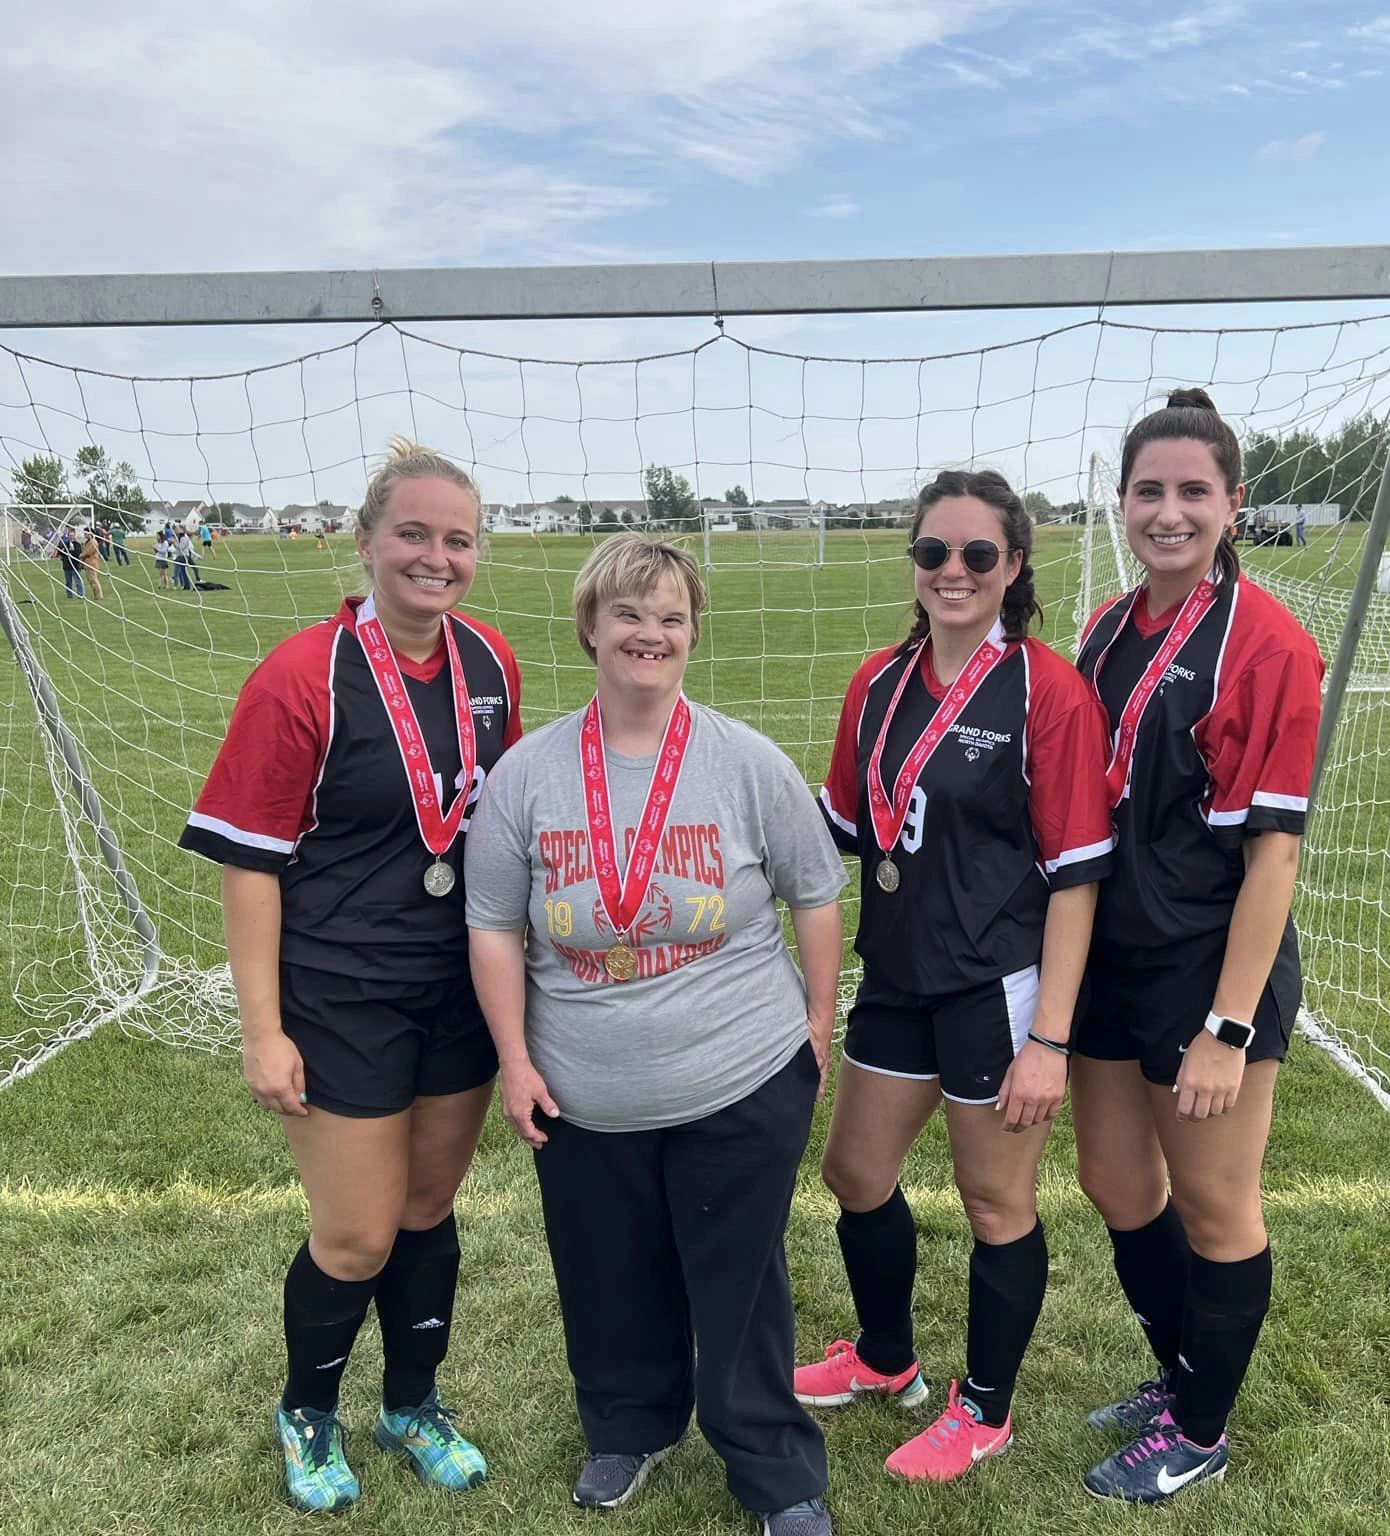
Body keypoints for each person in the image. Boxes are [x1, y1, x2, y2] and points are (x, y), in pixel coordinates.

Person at [465, 534, 846, 1536]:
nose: (651, 634)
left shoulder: (745, 760)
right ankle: (628, 1426)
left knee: (741, 1284)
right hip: (584, 1088)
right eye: (630, 614)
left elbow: (814, 891)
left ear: (691, 634)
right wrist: (513, 1058)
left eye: (672, 617)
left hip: (740, 1074)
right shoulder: (528, 773)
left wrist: (815, 1018)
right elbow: (493, 927)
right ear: (591, 626)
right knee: (606, 1270)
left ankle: (770, 1464)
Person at [179, 441, 523, 1513]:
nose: (435, 556)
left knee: (427, 1210)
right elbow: (251, 864)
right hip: (339, 991)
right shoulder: (301, 673)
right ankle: (307, 1412)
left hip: (456, 985)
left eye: (456, 539)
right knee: (357, 1232)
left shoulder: (491, 664)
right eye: (412, 534)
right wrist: (262, 1028)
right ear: (366, 540)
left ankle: (414, 1404)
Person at [793, 469, 1113, 1484]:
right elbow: (845, 828)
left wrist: (1050, 1041)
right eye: (934, 552)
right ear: (915, 564)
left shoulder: (1046, 691)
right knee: (853, 1174)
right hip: (895, 976)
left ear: (1014, 566)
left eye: (979, 554)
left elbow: (1075, 879)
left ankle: (986, 1408)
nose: (954, 572)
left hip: (995, 988)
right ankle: (887, 1359)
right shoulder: (877, 685)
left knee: (993, 1203)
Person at [1071, 389, 1324, 1503]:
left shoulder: (1267, 644)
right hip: (1112, 957)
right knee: (1117, 1182)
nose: (1167, 513)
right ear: (1123, 502)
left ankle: (1201, 1429)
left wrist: (1227, 1026)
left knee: (1216, 1204)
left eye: (1192, 492)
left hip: (1209, 967)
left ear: (1233, 504)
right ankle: (1179, 1373)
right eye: (1148, 491)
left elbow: (1273, 856)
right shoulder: (1108, 628)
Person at [78, 523, 104, 599]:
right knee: (91, 580)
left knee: (93, 580)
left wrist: (81, 555)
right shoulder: (88, 542)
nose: (84, 535)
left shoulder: (93, 542)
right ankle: (96, 595)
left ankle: (99, 596)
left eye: (86, 533)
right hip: (87, 564)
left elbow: (89, 552)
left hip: (91, 564)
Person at [57, 526, 84, 598]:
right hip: (67, 565)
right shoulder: (65, 543)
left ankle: (80, 594)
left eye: (72, 535)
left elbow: (78, 553)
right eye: (70, 535)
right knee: (68, 582)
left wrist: (71, 551)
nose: (71, 537)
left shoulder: (78, 544)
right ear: (68, 536)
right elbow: (60, 551)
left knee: (78, 581)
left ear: (75, 535)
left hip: (75, 565)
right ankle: (69, 595)